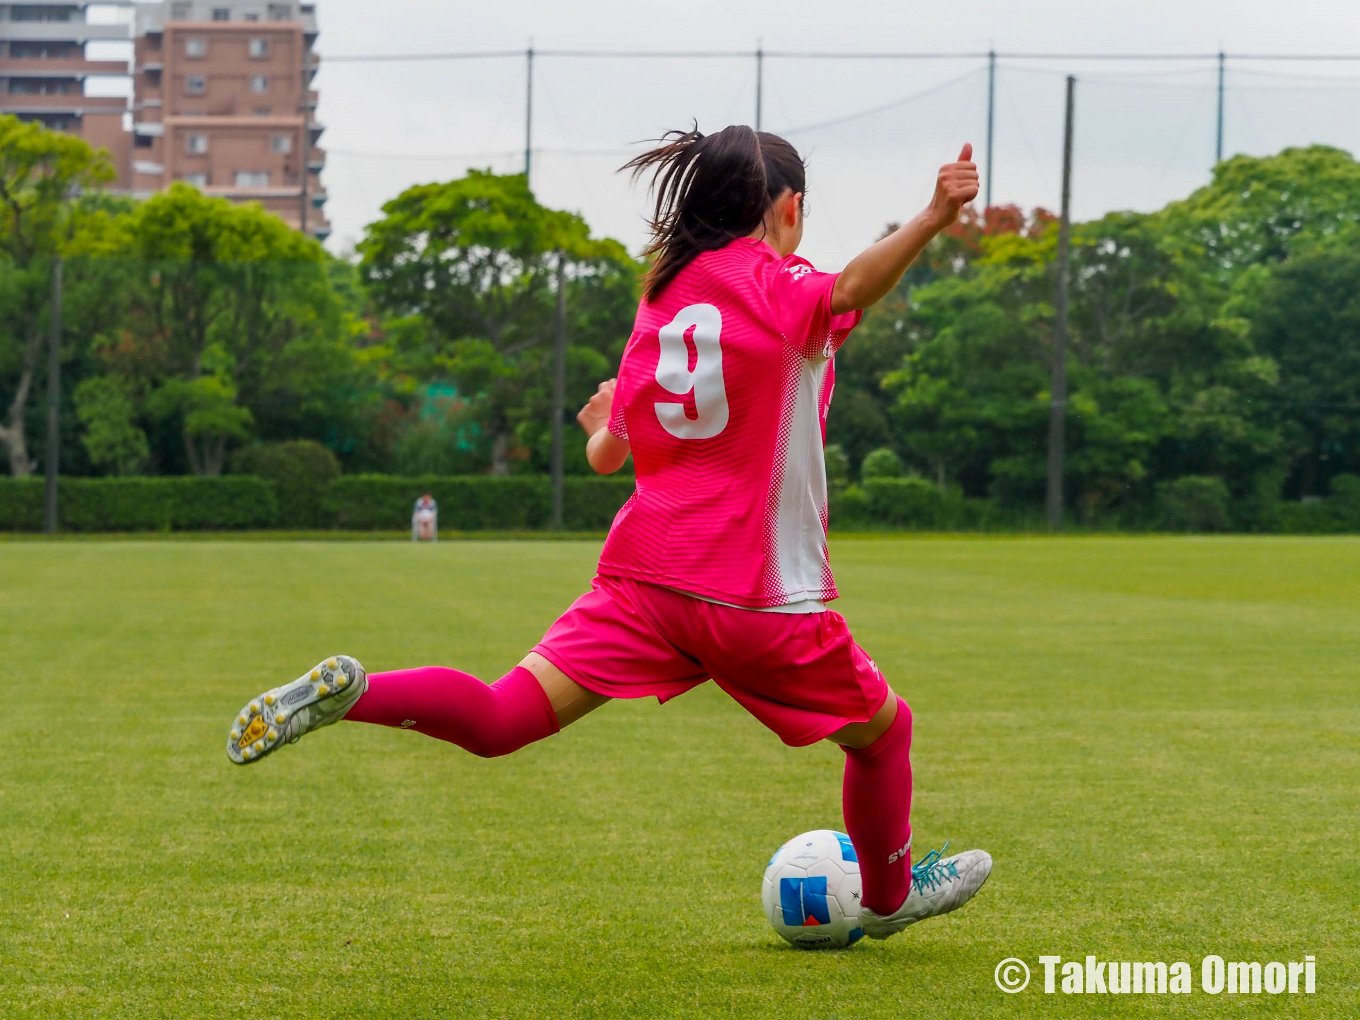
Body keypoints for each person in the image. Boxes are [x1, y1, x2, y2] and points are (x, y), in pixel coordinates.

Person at [226, 126, 990, 940]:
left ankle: (357, 693)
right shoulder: (778, 283)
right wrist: (933, 216)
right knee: (884, 734)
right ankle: (885, 899)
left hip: (644, 581)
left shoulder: (663, 297)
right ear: (790, 207)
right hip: (753, 595)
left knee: (500, 717)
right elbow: (850, 289)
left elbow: (605, 454)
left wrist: (602, 422)